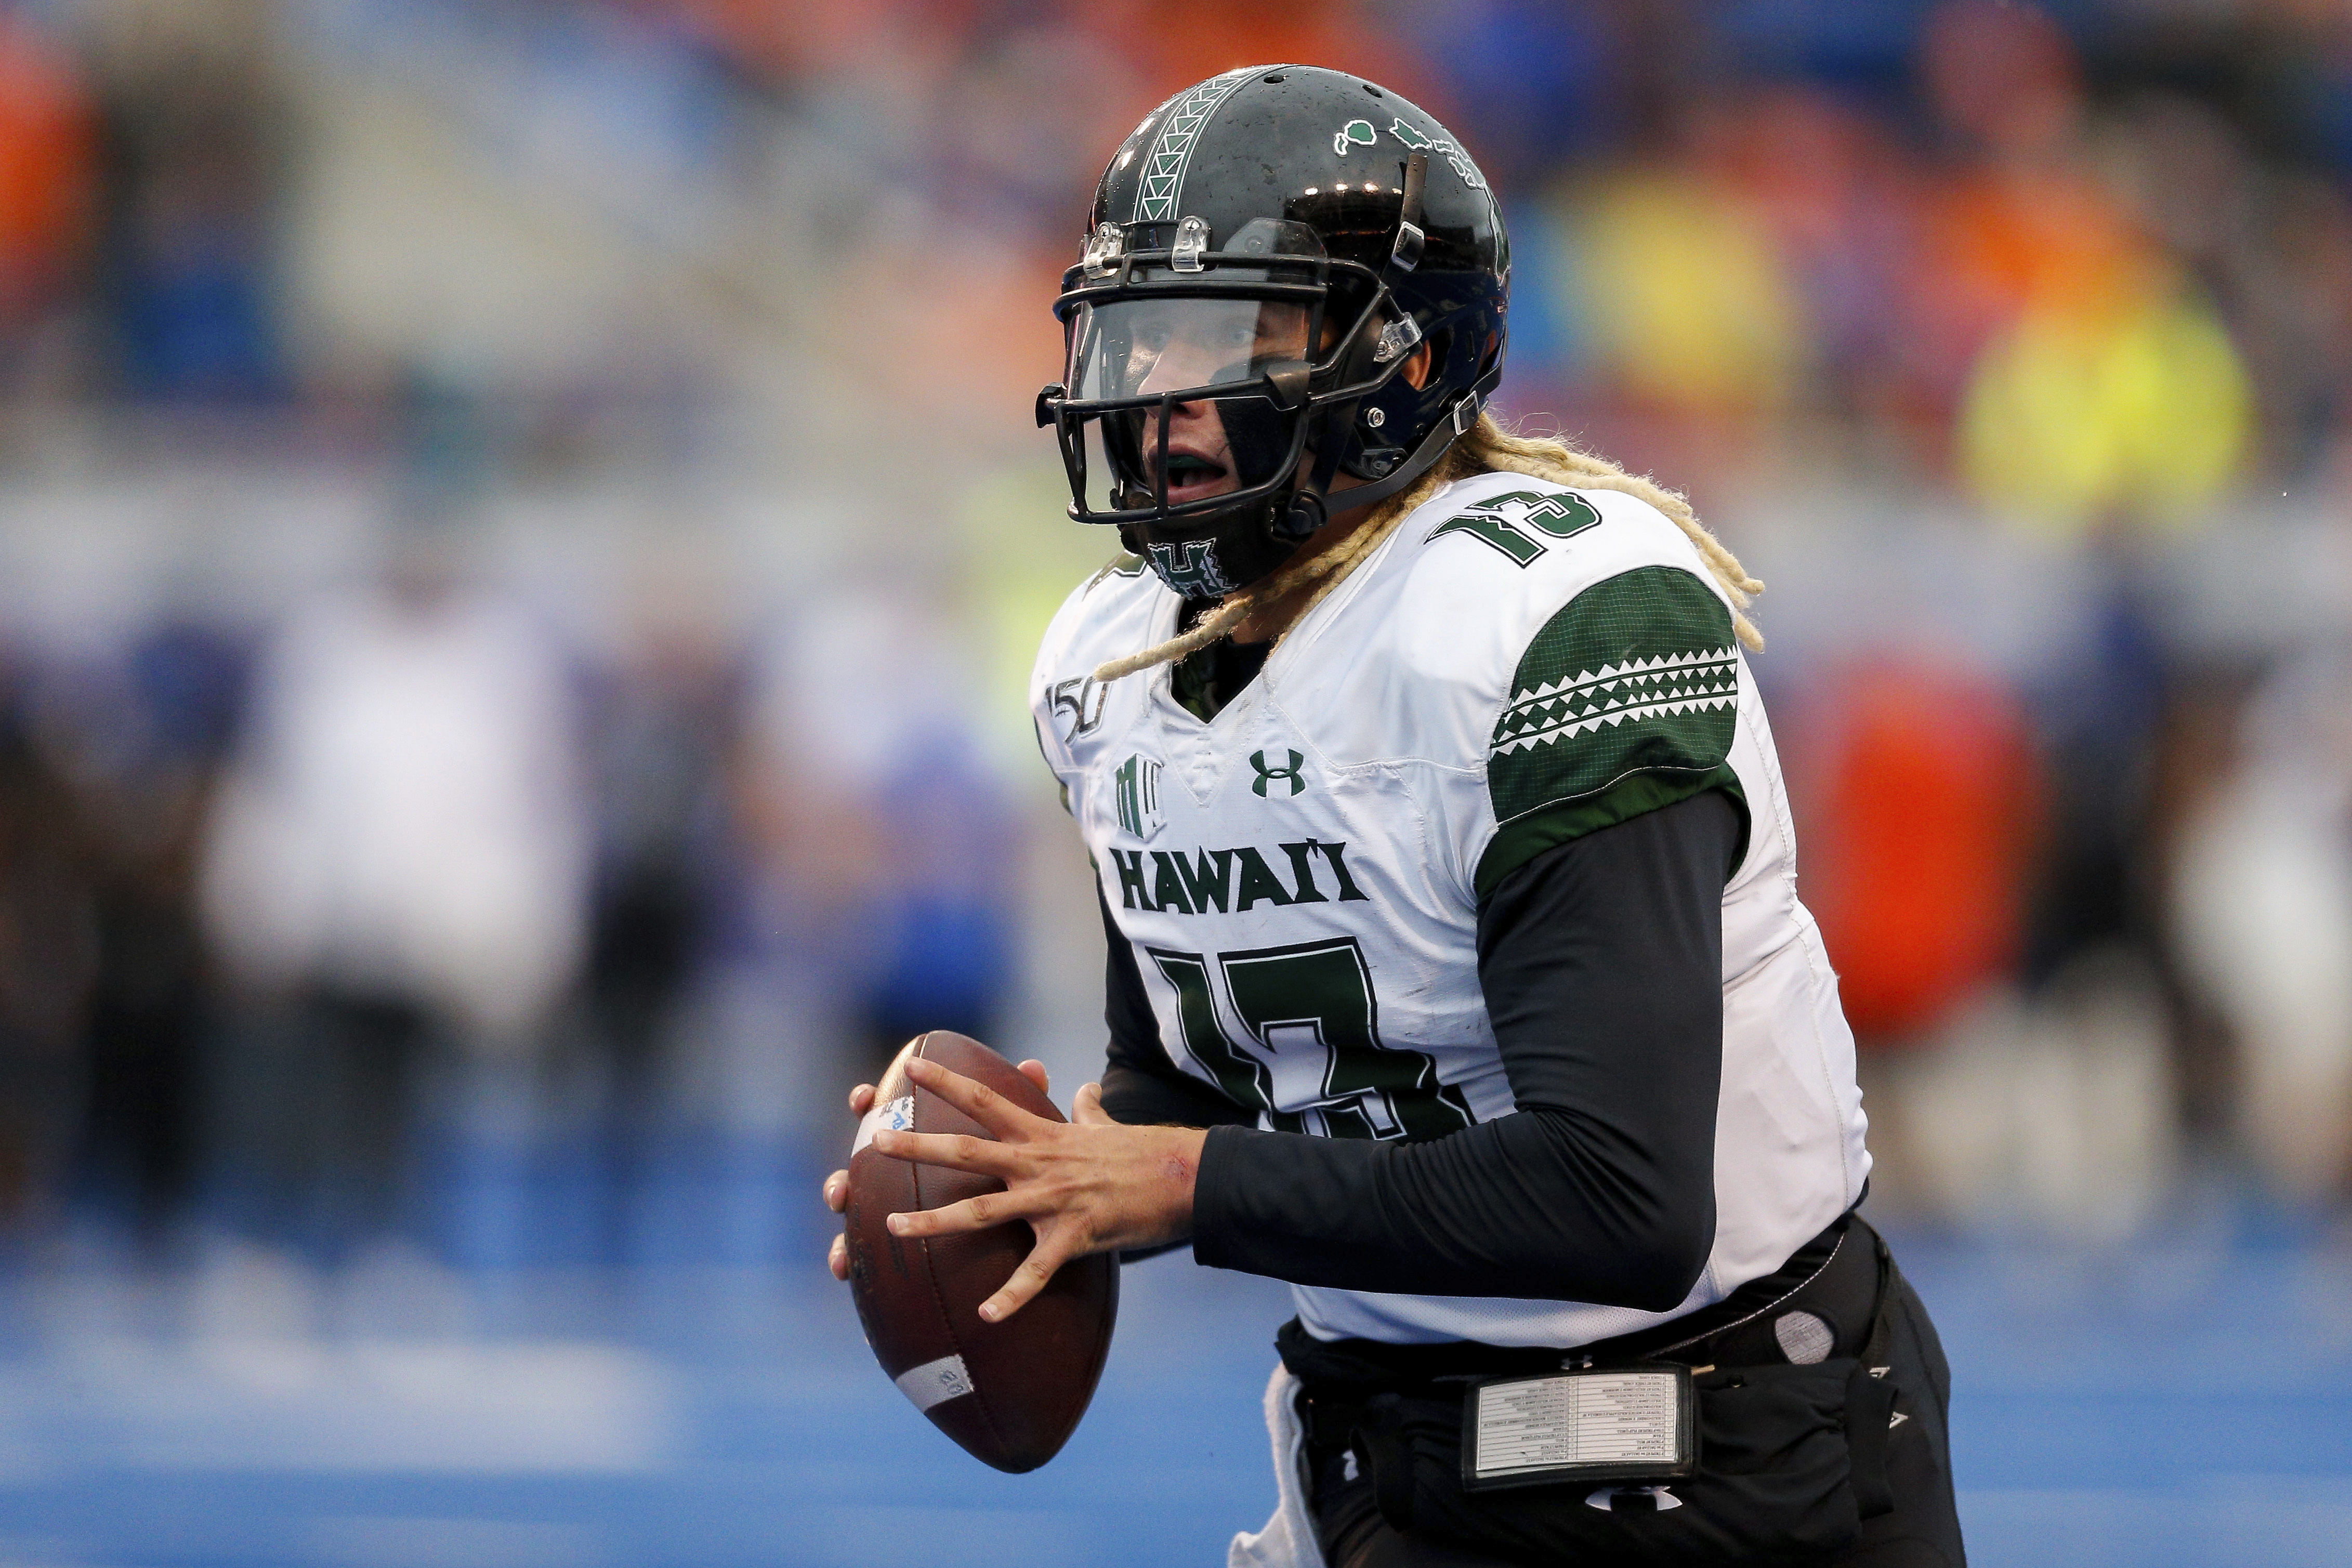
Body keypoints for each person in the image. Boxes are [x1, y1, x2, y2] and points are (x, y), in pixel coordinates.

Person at [823, 65, 1964, 1568]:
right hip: (1384, 1448)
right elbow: (1190, 1090)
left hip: (1718, 1449)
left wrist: (1173, 1182)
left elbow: (1619, 1196)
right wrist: (1024, 1179)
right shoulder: (1117, 662)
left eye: (1231, 333)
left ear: (1402, 361)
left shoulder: (1555, 614)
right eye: (1139, 331)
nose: (1159, 392)